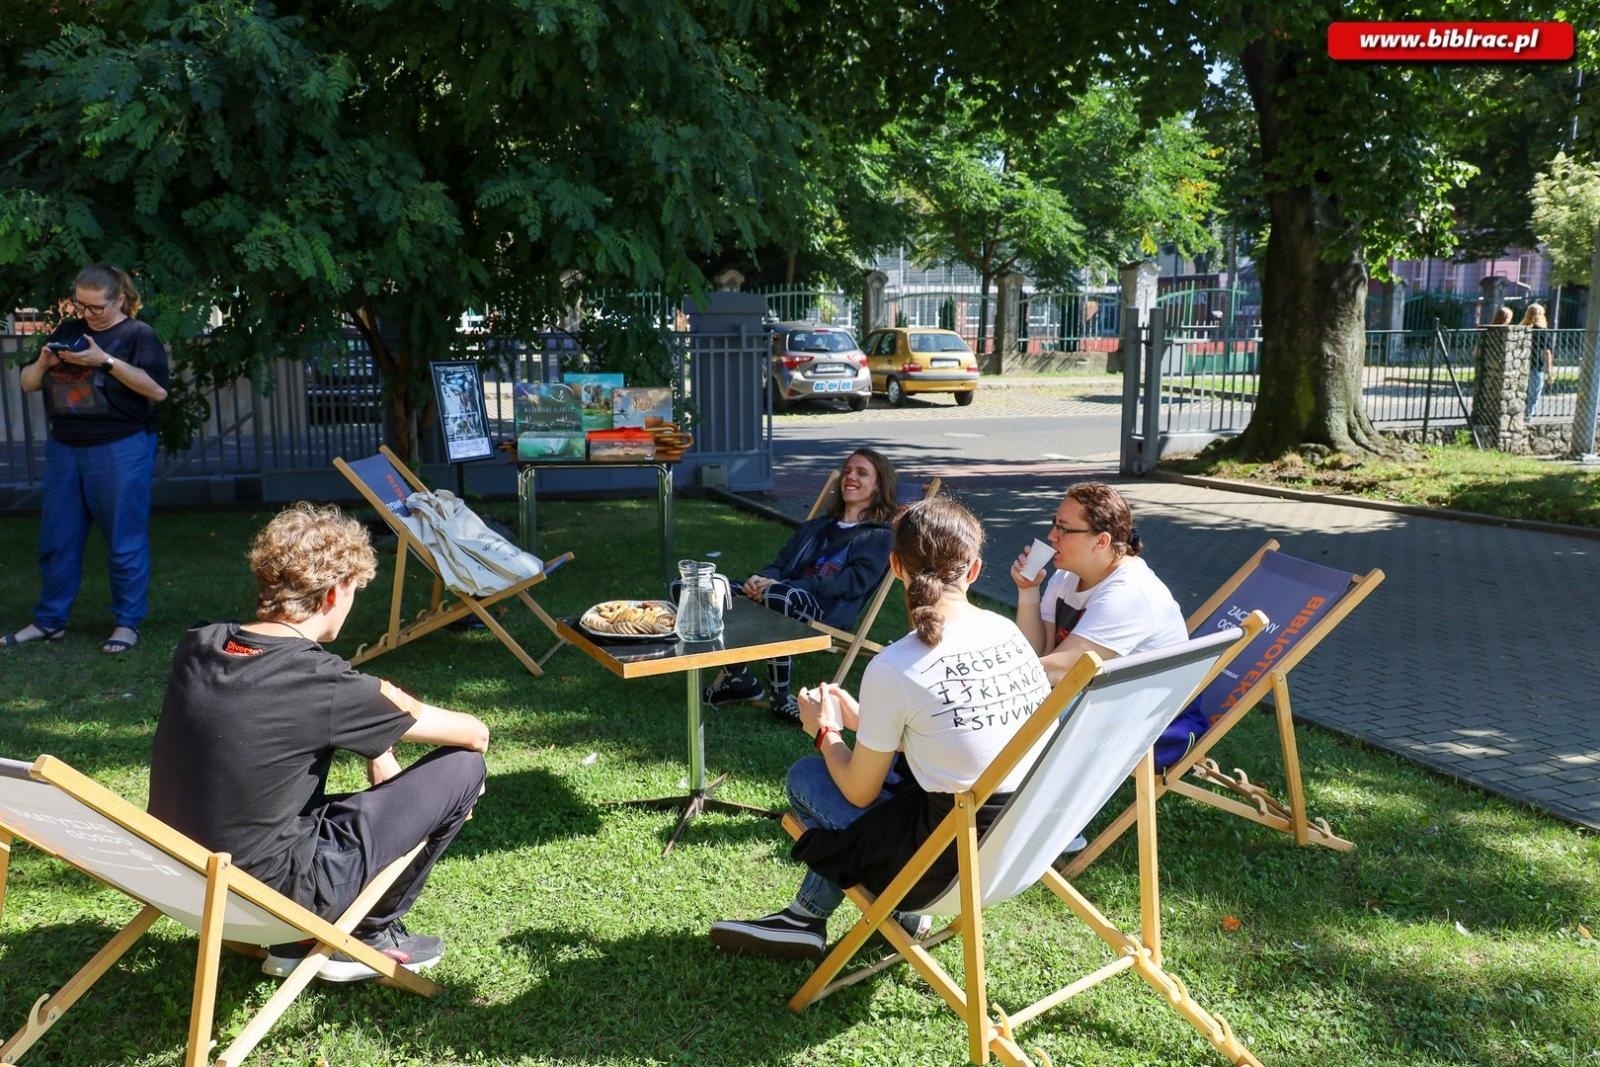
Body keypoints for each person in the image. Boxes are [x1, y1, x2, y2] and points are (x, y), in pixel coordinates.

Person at [148, 502, 490, 982]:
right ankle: (364, 936)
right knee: (463, 769)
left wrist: (378, 736)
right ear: (333, 594)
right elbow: (475, 733)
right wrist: (389, 704)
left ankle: (294, 943)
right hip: (274, 892)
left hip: (181, 876)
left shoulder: (199, 645)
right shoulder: (320, 680)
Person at [709, 496, 1052, 959]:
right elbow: (960, 736)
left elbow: (857, 793)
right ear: (973, 571)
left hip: (936, 868)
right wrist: (868, 722)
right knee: (885, 776)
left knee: (807, 777)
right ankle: (805, 918)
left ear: (895, 566)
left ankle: (817, 917)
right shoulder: (1008, 632)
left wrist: (825, 730)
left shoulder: (897, 666)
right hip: (1017, 845)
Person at [5, 264, 170, 653]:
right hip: (66, 447)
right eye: (81, 305)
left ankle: (127, 624)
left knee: (124, 541)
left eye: (97, 307)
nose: (88, 315)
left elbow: (158, 391)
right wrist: (44, 362)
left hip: (121, 447)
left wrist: (105, 361)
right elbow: (29, 383)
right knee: (57, 539)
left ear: (120, 300)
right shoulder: (68, 331)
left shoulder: (137, 335)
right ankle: (49, 622)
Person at [698, 448, 898, 722]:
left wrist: (785, 584)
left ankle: (780, 698)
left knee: (780, 595)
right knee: (702, 591)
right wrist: (759, 579)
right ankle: (738, 678)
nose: (850, 477)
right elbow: (780, 564)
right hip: (783, 590)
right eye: (848, 470)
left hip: (826, 608)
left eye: (862, 473)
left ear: (878, 486)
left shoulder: (878, 537)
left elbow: (851, 583)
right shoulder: (817, 526)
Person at [1011, 482, 1188, 686]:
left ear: (1101, 542)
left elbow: (1060, 671)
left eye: (1063, 529)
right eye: (1054, 524)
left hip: (1136, 714)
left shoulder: (1129, 594)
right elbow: (1038, 653)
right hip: (1091, 705)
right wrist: (1029, 591)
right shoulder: (1064, 577)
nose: (1051, 535)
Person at [1523, 303, 1553, 419]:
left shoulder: (1522, 328)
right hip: (1536, 366)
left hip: (1521, 365)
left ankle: (1519, 416)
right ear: (1541, 315)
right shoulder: (1542, 331)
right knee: (1533, 395)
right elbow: (1547, 353)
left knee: (1523, 394)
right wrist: (1550, 373)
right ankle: (1527, 418)